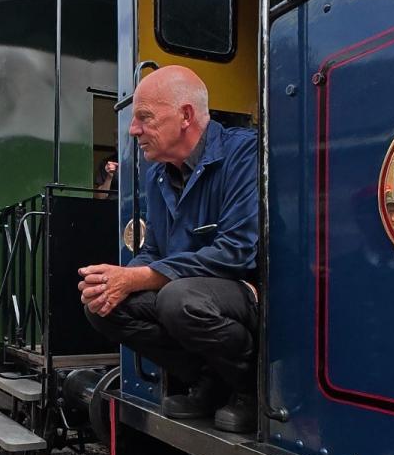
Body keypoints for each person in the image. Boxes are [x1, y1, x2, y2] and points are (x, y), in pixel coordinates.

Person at [78, 66, 261, 433]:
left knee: (177, 300)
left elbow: (237, 251)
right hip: (188, 292)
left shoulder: (243, 152)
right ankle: (209, 381)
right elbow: (156, 249)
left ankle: (249, 390)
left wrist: (140, 276)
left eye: (145, 118)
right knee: (102, 306)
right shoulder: (157, 174)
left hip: (243, 292)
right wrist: (117, 279)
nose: (133, 131)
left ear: (186, 116)